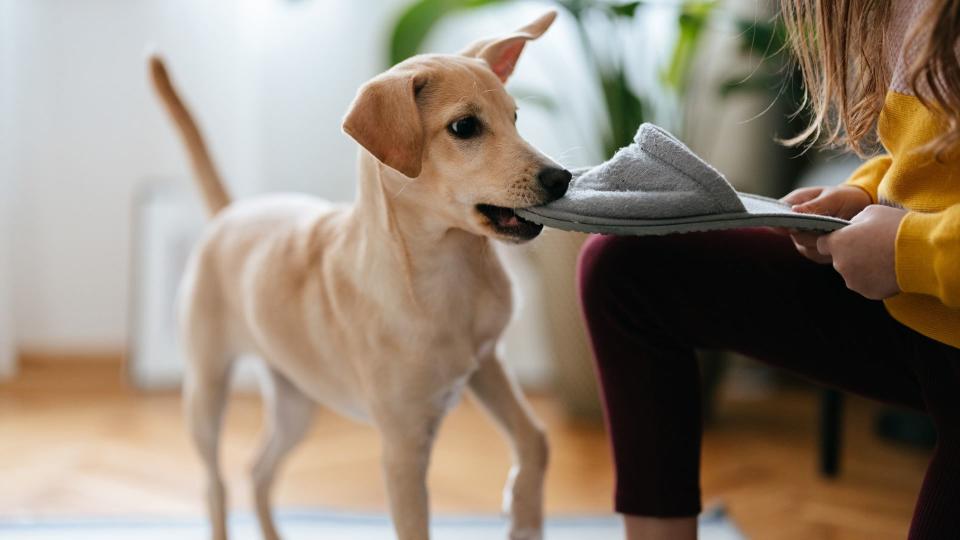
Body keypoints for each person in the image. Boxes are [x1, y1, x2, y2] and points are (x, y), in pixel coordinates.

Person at [577, 1, 960, 538]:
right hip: (922, 316)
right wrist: (866, 191)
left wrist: (908, 249)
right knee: (628, 269)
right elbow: (937, 157)